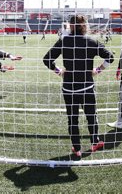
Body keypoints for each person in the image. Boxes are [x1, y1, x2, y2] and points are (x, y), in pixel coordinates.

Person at [43, 14, 114, 157]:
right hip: (87, 86)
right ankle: (95, 142)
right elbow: (110, 57)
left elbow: (46, 60)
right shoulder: (91, 40)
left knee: (73, 118)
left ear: (70, 25)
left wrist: (59, 72)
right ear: (85, 26)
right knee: (91, 115)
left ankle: (77, 149)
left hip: (69, 87)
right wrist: (98, 70)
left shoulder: (63, 40)